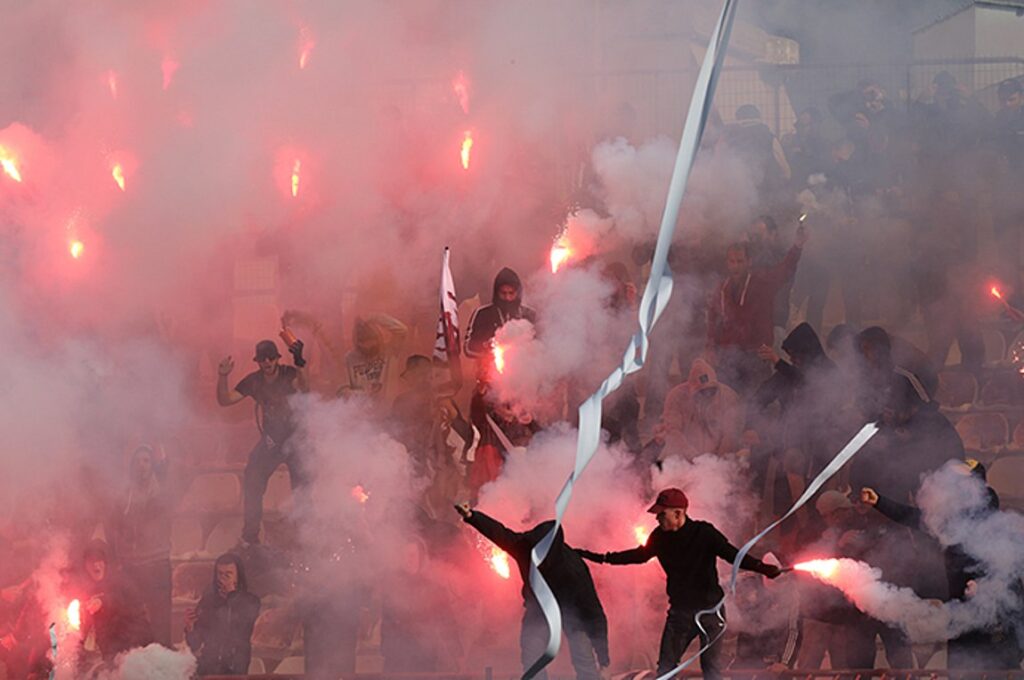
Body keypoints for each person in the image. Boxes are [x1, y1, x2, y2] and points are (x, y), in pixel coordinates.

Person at [578, 488, 781, 679]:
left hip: (712, 613)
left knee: (711, 669)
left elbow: (733, 555)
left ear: (678, 513)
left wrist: (762, 567)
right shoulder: (659, 537)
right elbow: (639, 555)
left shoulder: (704, 533)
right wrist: (602, 557)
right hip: (680, 614)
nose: (657, 518)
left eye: (661, 514)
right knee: (666, 668)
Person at [862, 460, 1023, 670]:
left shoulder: (988, 516)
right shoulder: (949, 520)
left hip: (994, 615)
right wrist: (880, 502)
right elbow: (915, 517)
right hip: (961, 613)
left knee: (998, 669)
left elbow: (1006, 569)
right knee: (962, 667)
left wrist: (984, 584)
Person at [455, 503, 610, 680]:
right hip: (539, 608)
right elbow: (499, 533)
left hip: (572, 612)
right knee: (531, 653)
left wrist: (604, 661)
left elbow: (595, 615)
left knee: (583, 657)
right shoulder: (524, 547)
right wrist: (471, 516)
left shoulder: (575, 570)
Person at [217, 338, 309, 546]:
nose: (266, 362)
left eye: (270, 358)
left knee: (303, 487)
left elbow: (305, 389)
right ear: (257, 361)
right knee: (252, 476)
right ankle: (250, 536)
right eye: (262, 359)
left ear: (277, 359)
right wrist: (223, 376)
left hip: (295, 438)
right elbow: (225, 400)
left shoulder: (288, 374)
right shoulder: (254, 381)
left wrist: (299, 362)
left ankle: (307, 536)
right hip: (272, 440)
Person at [707, 227, 807, 394]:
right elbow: (713, 318)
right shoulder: (722, 288)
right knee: (727, 398)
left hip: (755, 354)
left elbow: (784, 270)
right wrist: (710, 346)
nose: (735, 266)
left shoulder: (762, 283)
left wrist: (797, 246)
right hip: (728, 354)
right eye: (732, 261)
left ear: (749, 262)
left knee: (755, 399)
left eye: (740, 261)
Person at [107, 444, 172, 646]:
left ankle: (162, 658)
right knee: (133, 617)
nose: (141, 465)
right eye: (137, 461)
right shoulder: (123, 496)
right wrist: (117, 557)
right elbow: (113, 526)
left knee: (160, 618)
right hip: (131, 564)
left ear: (153, 465)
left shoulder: (162, 491)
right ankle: (137, 659)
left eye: (146, 461)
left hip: (157, 562)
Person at [75, 539, 154, 664]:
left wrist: (102, 602)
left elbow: (120, 601)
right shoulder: (85, 588)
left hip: (134, 648)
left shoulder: (121, 582)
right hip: (108, 652)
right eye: (91, 561)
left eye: (99, 560)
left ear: (106, 562)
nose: (95, 565)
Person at [185, 553, 261, 676]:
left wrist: (232, 596)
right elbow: (195, 644)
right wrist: (190, 628)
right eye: (220, 574)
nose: (222, 579)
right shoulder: (208, 601)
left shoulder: (251, 601)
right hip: (208, 667)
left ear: (238, 576)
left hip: (235, 668)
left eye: (228, 574)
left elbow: (241, 630)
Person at [655, 358, 743, 461]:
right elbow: (673, 431)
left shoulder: (728, 397)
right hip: (681, 457)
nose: (707, 395)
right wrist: (692, 456)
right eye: (702, 392)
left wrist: (718, 461)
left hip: (717, 458)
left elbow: (730, 435)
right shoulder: (676, 396)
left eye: (711, 390)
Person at [464, 267, 537, 366]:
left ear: (517, 293)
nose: (507, 298)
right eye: (503, 293)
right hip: (489, 372)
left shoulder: (529, 314)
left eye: (511, 293)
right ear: (496, 293)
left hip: (524, 372)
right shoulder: (483, 313)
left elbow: (541, 347)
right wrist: (486, 347)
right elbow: (468, 348)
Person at [340, 314, 409, 401]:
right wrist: (363, 394)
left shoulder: (390, 351)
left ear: (378, 338)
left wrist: (377, 319)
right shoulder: (350, 359)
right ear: (357, 342)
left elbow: (402, 330)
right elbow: (343, 391)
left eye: (371, 340)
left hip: (390, 407)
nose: (368, 346)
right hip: (363, 408)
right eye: (363, 342)